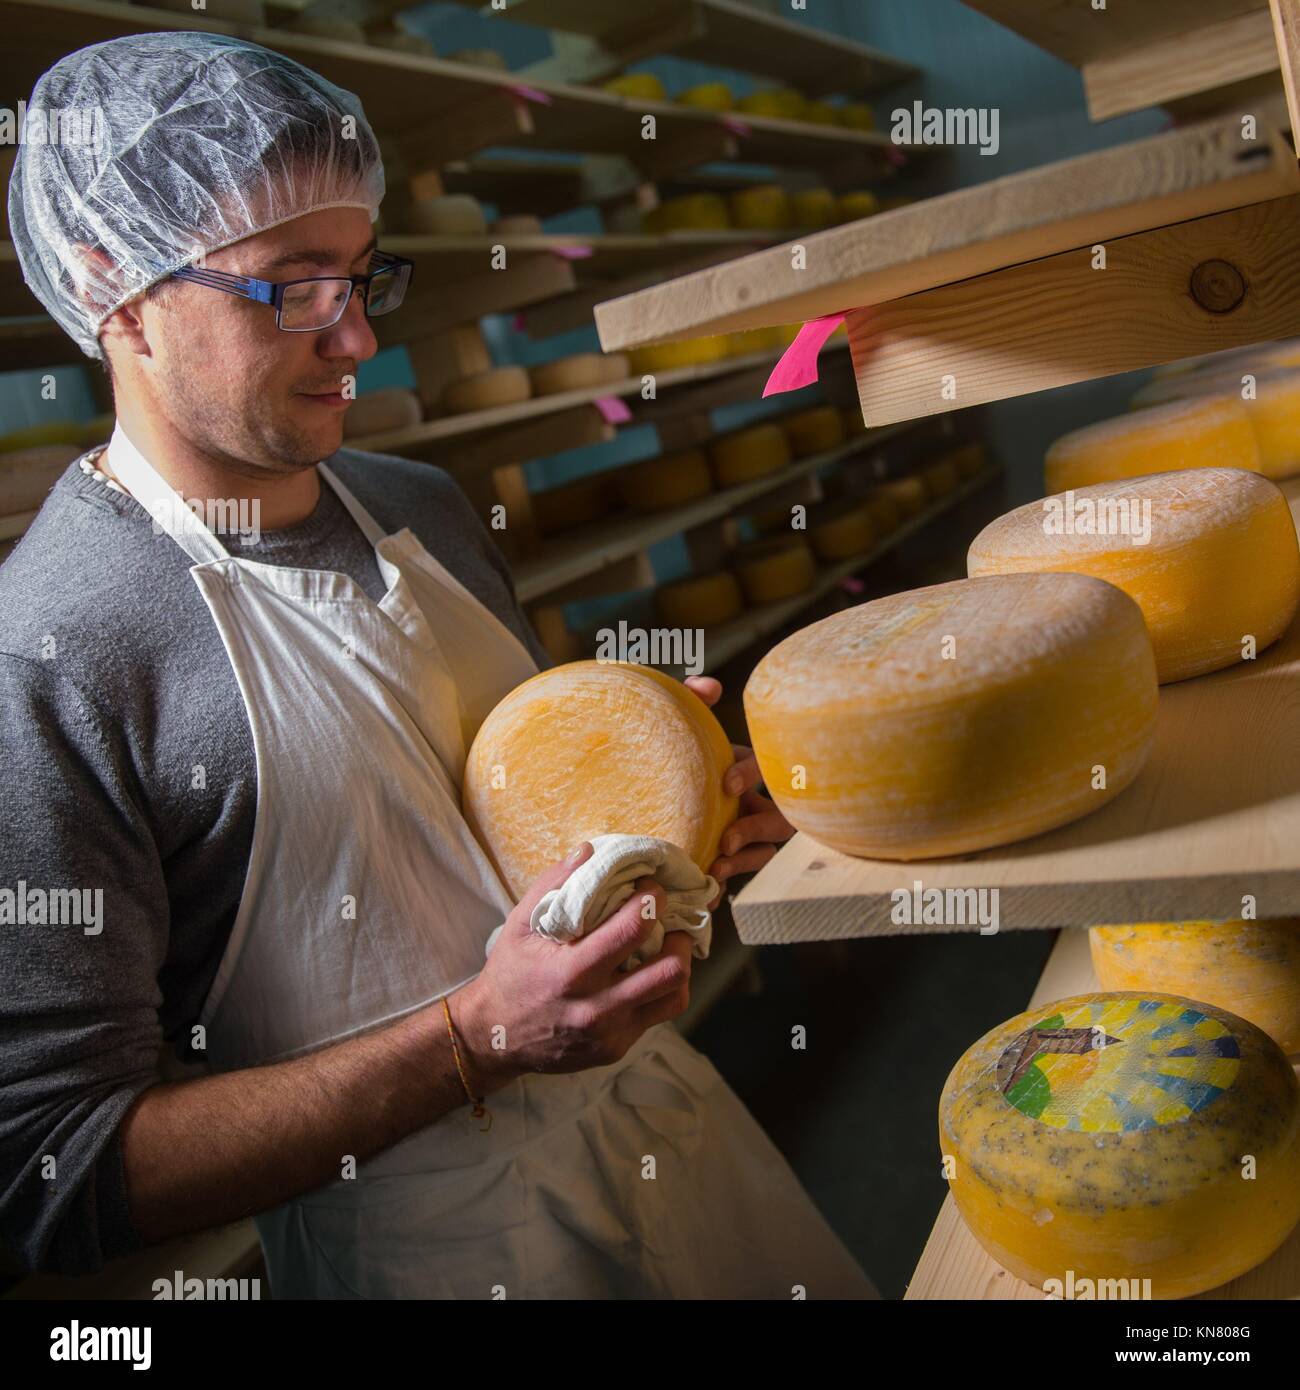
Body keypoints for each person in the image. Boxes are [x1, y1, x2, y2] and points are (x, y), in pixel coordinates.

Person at [0, 31, 876, 1298]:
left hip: (670, 1144)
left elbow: (478, 848)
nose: (357, 341)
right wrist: (478, 1039)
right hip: (427, 1253)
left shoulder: (422, 503)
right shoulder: (52, 650)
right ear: (113, 286)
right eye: (295, 288)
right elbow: (54, 1170)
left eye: (363, 277)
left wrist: (653, 830)